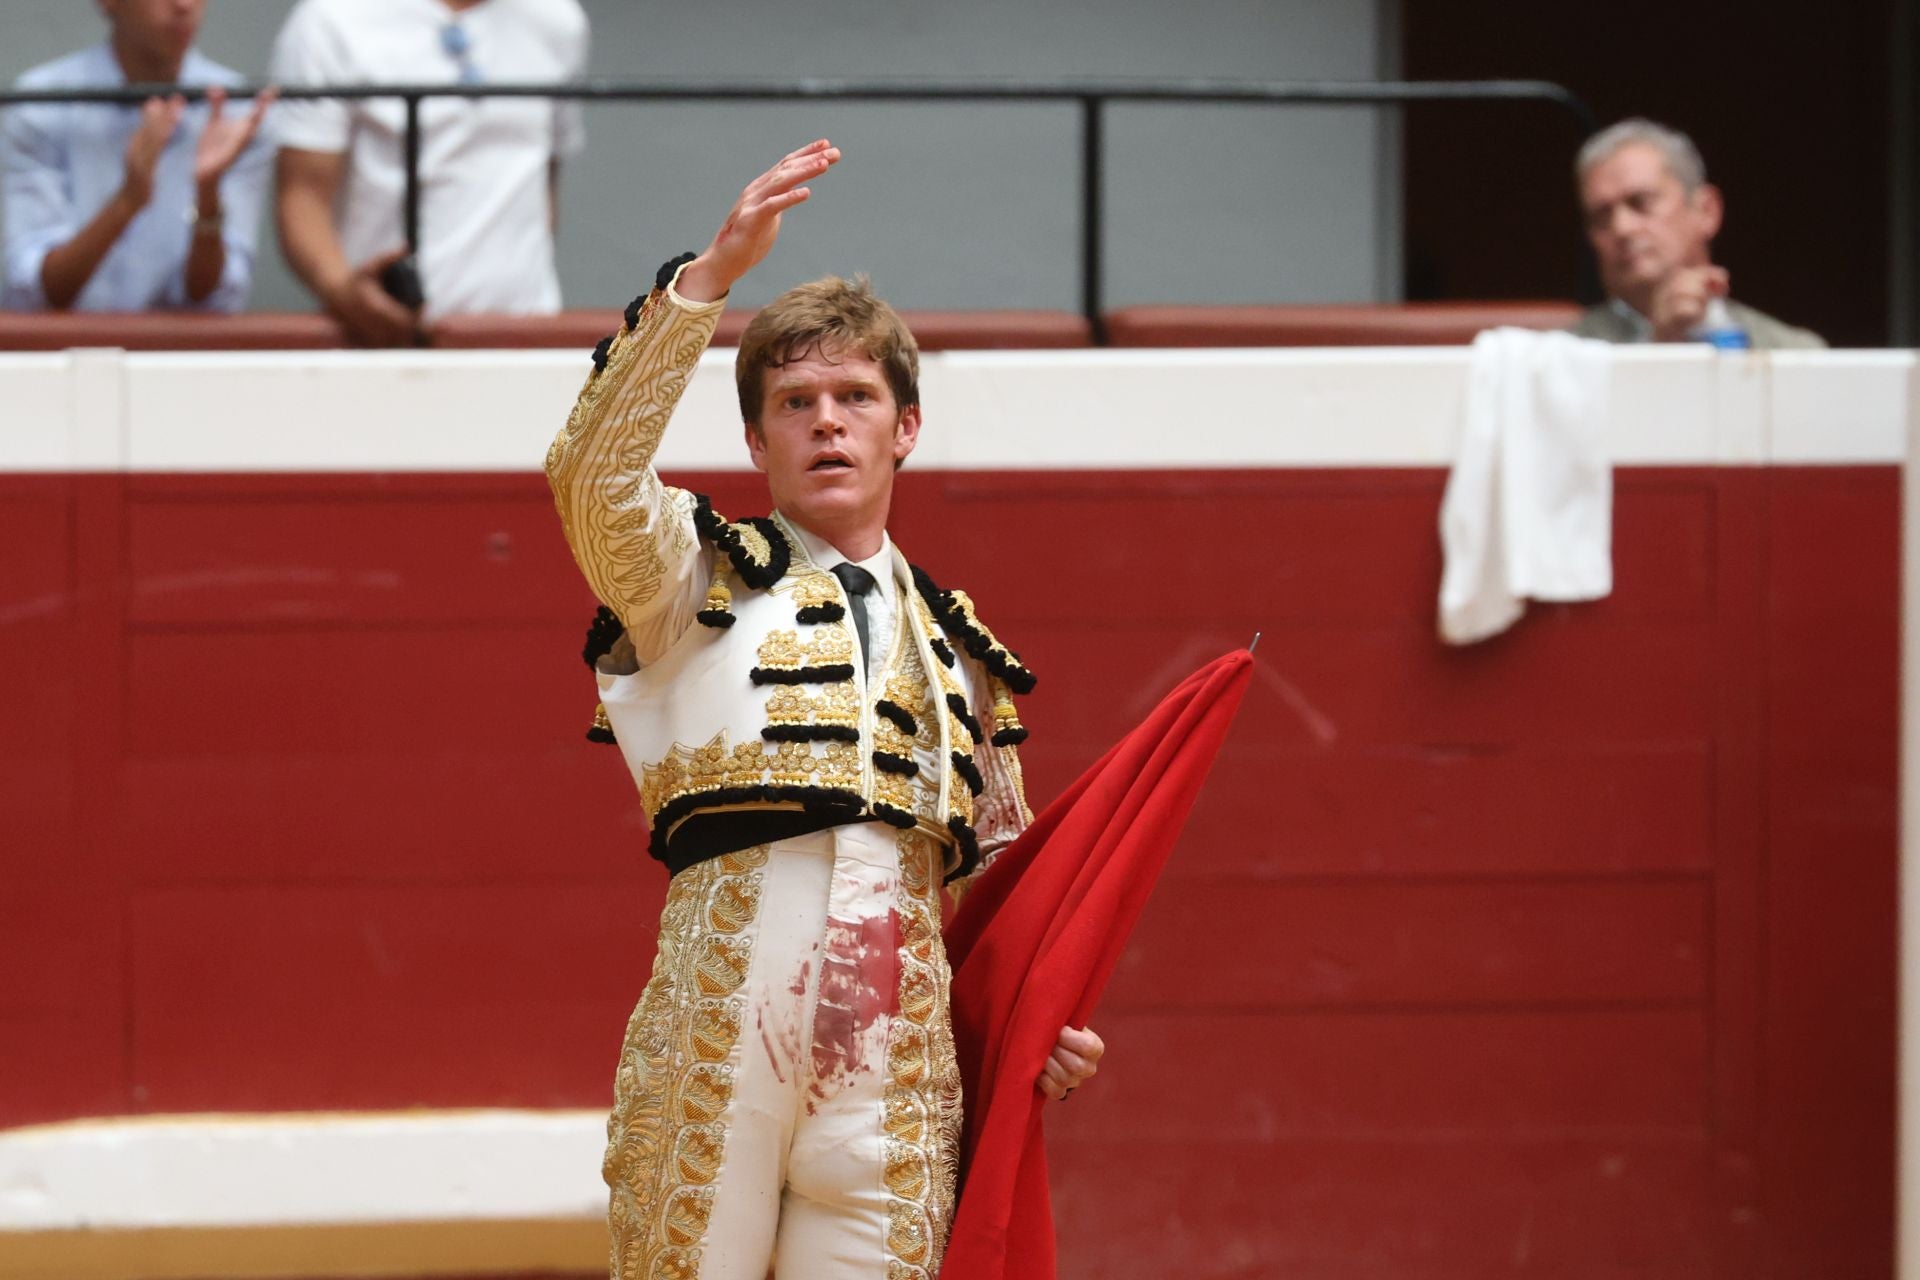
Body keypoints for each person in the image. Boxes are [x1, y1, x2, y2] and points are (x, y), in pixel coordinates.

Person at [545, 139, 1104, 1280]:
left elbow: (997, 875)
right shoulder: (690, 581)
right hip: (718, 1035)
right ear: (757, 441)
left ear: (905, 428)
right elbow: (590, 476)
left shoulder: (960, 650)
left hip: (894, 1078)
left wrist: (1046, 1021)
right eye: (795, 401)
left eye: (856, 397)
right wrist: (706, 281)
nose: (826, 420)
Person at [269, 0, 589, 346]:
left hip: (526, 336)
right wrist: (343, 290)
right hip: (386, 341)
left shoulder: (558, 20)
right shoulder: (331, 19)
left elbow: (544, 180)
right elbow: (301, 196)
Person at [2, 0, 275, 312]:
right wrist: (127, 201)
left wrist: (208, 192)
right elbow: (38, 295)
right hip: (65, 353)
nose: (184, 5)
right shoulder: (39, 104)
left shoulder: (237, 111)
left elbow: (212, 299)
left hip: (183, 355)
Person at [1573, 117, 1825, 349]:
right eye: (1601, 217)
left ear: (1706, 211)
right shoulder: (1564, 363)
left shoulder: (1794, 350)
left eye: (1641, 202)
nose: (1621, 227)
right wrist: (1656, 345)